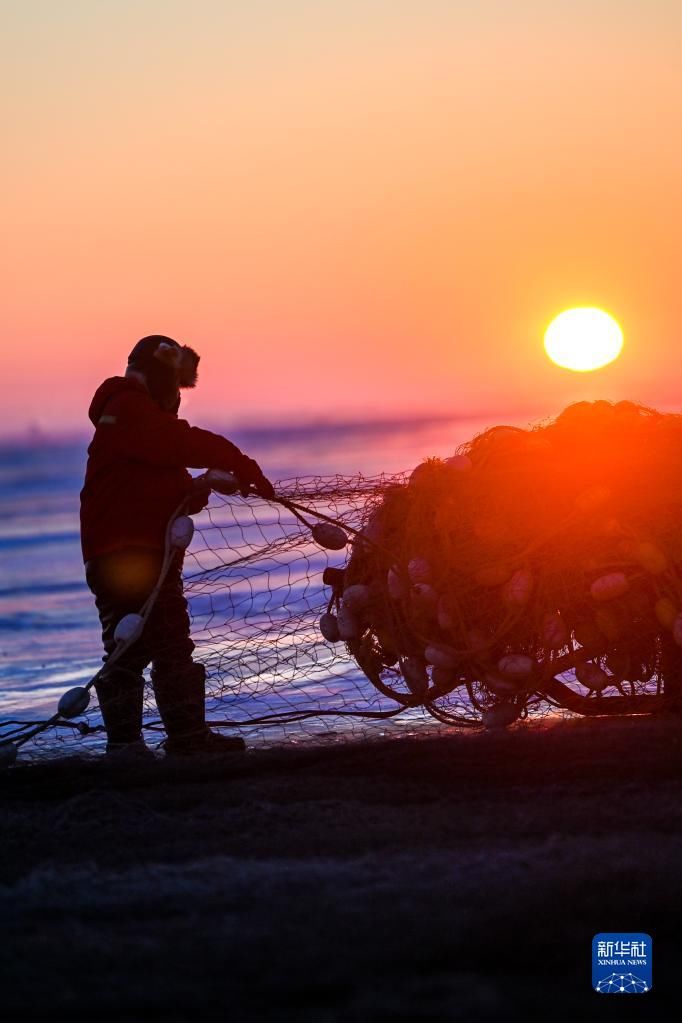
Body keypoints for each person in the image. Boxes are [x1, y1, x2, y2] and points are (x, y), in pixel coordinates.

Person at [80, 335, 275, 757]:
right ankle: (183, 740)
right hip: (131, 555)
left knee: (130, 646)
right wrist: (239, 460)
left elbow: (151, 482)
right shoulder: (128, 405)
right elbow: (180, 441)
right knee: (165, 640)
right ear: (162, 378)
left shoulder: (128, 418)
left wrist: (195, 488)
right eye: (176, 386)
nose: (178, 400)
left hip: (120, 553)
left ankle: (127, 747)